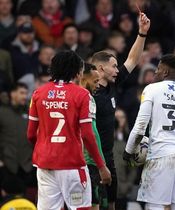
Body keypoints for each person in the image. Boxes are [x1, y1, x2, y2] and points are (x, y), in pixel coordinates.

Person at [27, 51, 112, 210]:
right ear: (78, 72)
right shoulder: (82, 94)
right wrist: (101, 166)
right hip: (72, 166)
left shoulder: (38, 93)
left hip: (45, 165)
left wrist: (44, 148)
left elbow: (31, 134)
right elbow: (88, 134)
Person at [123, 54, 175, 210]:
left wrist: (128, 151)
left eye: (159, 69)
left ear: (165, 72)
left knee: (155, 206)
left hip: (161, 155)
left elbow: (140, 126)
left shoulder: (152, 89)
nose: (156, 72)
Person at [91, 12, 150, 210]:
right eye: (114, 66)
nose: (118, 70)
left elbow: (132, 59)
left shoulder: (113, 86)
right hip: (91, 158)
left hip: (109, 157)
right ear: (100, 68)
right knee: (93, 205)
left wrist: (142, 33)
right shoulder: (87, 94)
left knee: (113, 205)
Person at [78, 62, 107, 210]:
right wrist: (101, 163)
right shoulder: (87, 98)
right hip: (88, 161)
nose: (98, 85)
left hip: (68, 161)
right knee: (93, 204)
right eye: (95, 81)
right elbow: (91, 132)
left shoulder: (69, 97)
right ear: (82, 78)